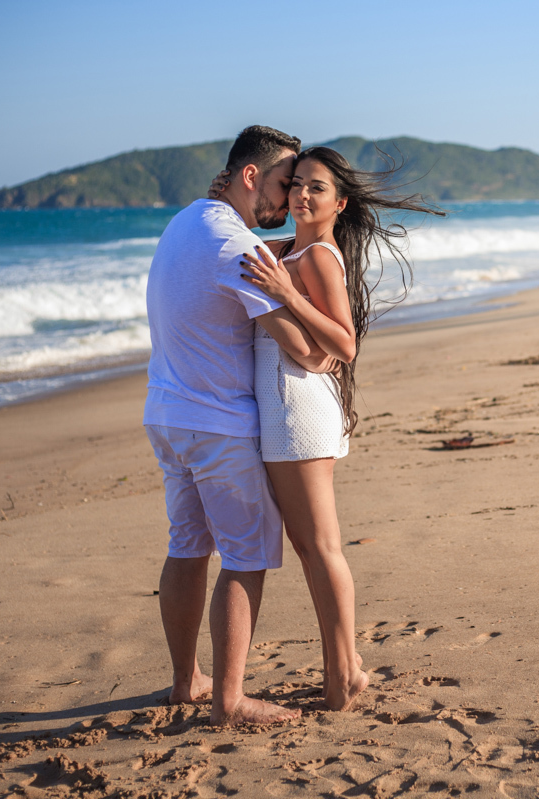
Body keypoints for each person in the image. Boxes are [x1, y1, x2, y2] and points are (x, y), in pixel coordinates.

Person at [212, 146, 443, 710]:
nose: (302, 195)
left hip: (298, 412)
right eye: (297, 185)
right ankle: (349, 669)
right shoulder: (287, 248)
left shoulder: (317, 256)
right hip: (287, 407)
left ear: (339, 203)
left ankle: (341, 679)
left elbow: (345, 343)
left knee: (320, 548)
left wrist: (288, 295)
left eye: (317, 188)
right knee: (313, 547)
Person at [143, 125, 333, 726]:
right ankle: (229, 699)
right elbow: (304, 350)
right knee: (245, 557)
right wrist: (321, 346)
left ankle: (185, 681)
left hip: (167, 415)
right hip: (218, 426)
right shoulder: (237, 250)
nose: (286, 199)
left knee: (187, 547)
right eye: (283, 183)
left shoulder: (186, 223)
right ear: (251, 176)